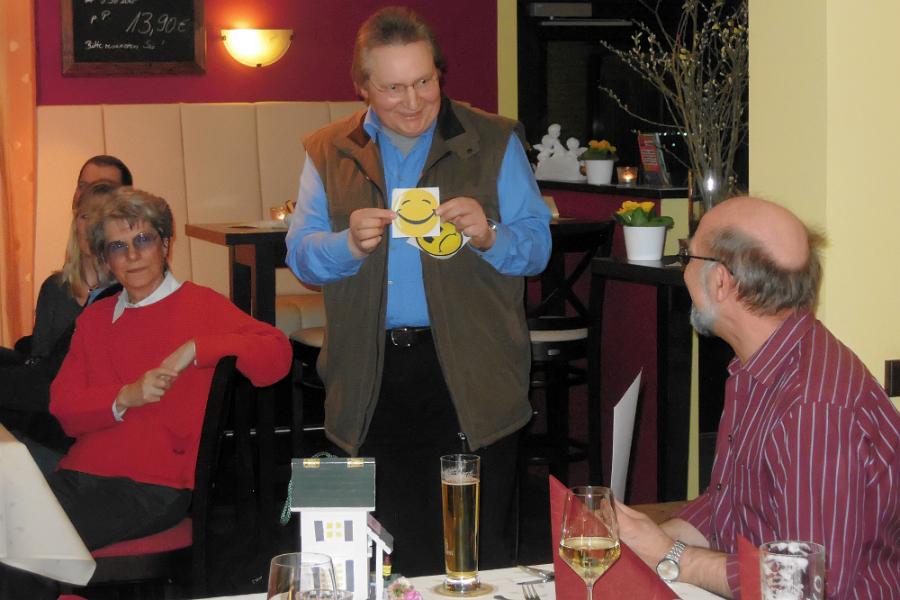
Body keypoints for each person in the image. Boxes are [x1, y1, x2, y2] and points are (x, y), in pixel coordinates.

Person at [285, 7, 551, 575]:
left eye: (424, 82)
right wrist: (345, 245)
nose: (413, 101)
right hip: (367, 376)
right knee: (373, 553)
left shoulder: (494, 138)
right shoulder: (328, 149)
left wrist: (490, 234)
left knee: (472, 554)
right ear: (363, 88)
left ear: (439, 73)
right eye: (393, 88)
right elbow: (301, 256)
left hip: (472, 376)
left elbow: (537, 249)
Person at [0, 187, 292, 599]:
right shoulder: (95, 319)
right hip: (80, 475)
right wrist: (125, 396)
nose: (133, 255)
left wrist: (196, 348)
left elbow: (277, 356)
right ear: (106, 259)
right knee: (9, 533)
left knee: (21, 545)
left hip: (152, 487)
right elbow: (63, 408)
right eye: (118, 246)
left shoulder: (201, 306)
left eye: (143, 239)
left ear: (165, 244)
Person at [616, 196, 900, 599]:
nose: (684, 272)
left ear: (720, 281)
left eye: (687, 257)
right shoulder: (761, 366)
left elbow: (805, 582)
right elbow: (731, 502)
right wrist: (645, 538)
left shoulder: (812, 407)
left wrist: (671, 555)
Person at [0, 155, 132, 452]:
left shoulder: (123, 296)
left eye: (103, 214)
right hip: (49, 416)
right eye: (85, 215)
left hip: (80, 437)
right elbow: (40, 366)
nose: (92, 225)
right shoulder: (56, 288)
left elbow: (49, 386)